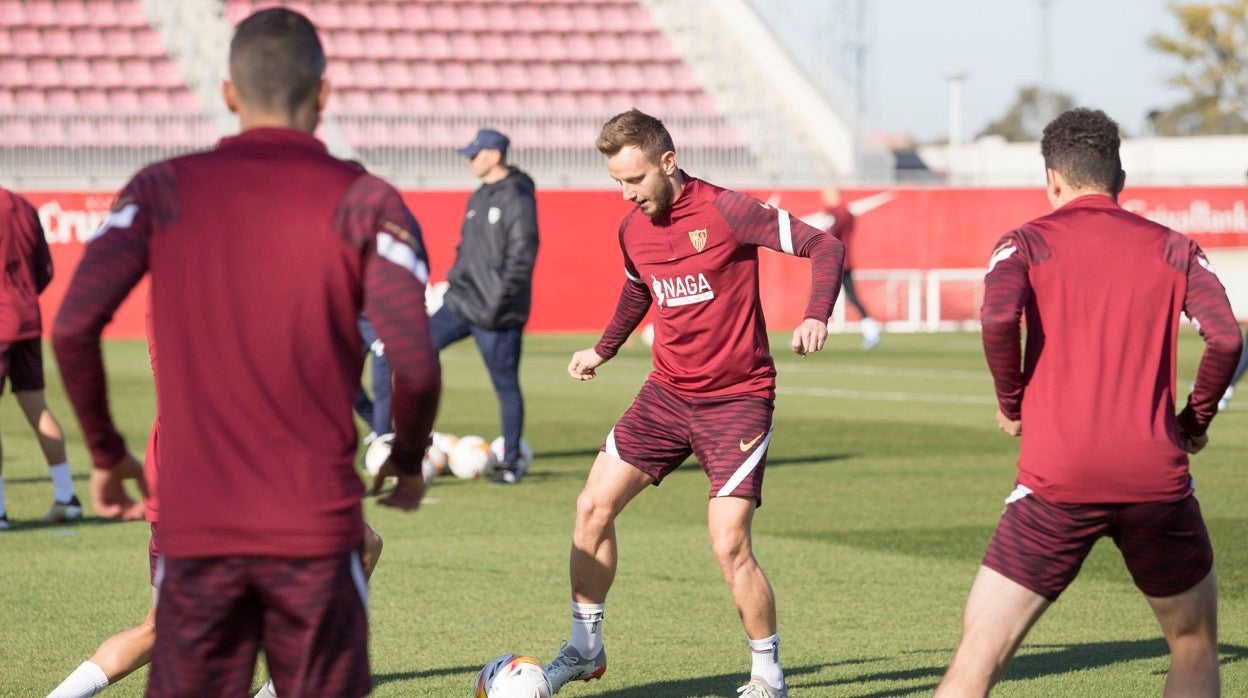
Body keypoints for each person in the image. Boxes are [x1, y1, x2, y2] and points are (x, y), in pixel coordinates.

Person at [52, 8, 440, 697]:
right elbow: (412, 359)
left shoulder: (160, 188)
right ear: (323, 94)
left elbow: (73, 328)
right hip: (311, 519)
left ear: (229, 93)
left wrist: (108, 456)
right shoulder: (370, 201)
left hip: (197, 514)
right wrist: (407, 461)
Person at [936, 108, 1239, 697]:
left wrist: (1012, 399)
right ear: (1119, 176)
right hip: (1156, 481)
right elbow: (1226, 337)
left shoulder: (1025, 243)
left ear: (1052, 178)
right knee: (1193, 645)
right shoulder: (1176, 247)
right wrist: (1194, 421)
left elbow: (998, 315)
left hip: (1056, 483)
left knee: (980, 656)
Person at [546, 109, 844, 698]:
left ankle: (768, 675)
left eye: (635, 180)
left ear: (667, 162)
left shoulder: (729, 209)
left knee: (728, 541)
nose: (628, 194)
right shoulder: (632, 228)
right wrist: (603, 350)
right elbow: (639, 290)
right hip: (666, 393)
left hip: (736, 399)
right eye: (617, 183)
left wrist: (816, 313)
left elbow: (824, 246)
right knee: (591, 507)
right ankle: (584, 650)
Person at [430, 127, 539, 484]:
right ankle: (411, 438)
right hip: (462, 302)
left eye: (474, 154)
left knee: (505, 385)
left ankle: (509, 463)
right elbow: (467, 249)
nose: (469, 159)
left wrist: (498, 302)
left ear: (494, 155)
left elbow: (522, 256)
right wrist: (453, 285)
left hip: (497, 311)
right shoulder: (478, 197)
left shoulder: (518, 196)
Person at [0, 187, 91, 529]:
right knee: (37, 406)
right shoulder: (22, 205)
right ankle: (66, 496)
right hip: (26, 316)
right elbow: (46, 269)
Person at [821, 186, 880, 350]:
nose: (823, 199)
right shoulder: (848, 213)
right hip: (845, 261)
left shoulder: (836, 213)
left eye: (825, 195)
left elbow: (829, 236)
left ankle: (811, 331)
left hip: (835, 262)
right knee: (853, 297)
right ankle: (872, 332)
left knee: (820, 295)